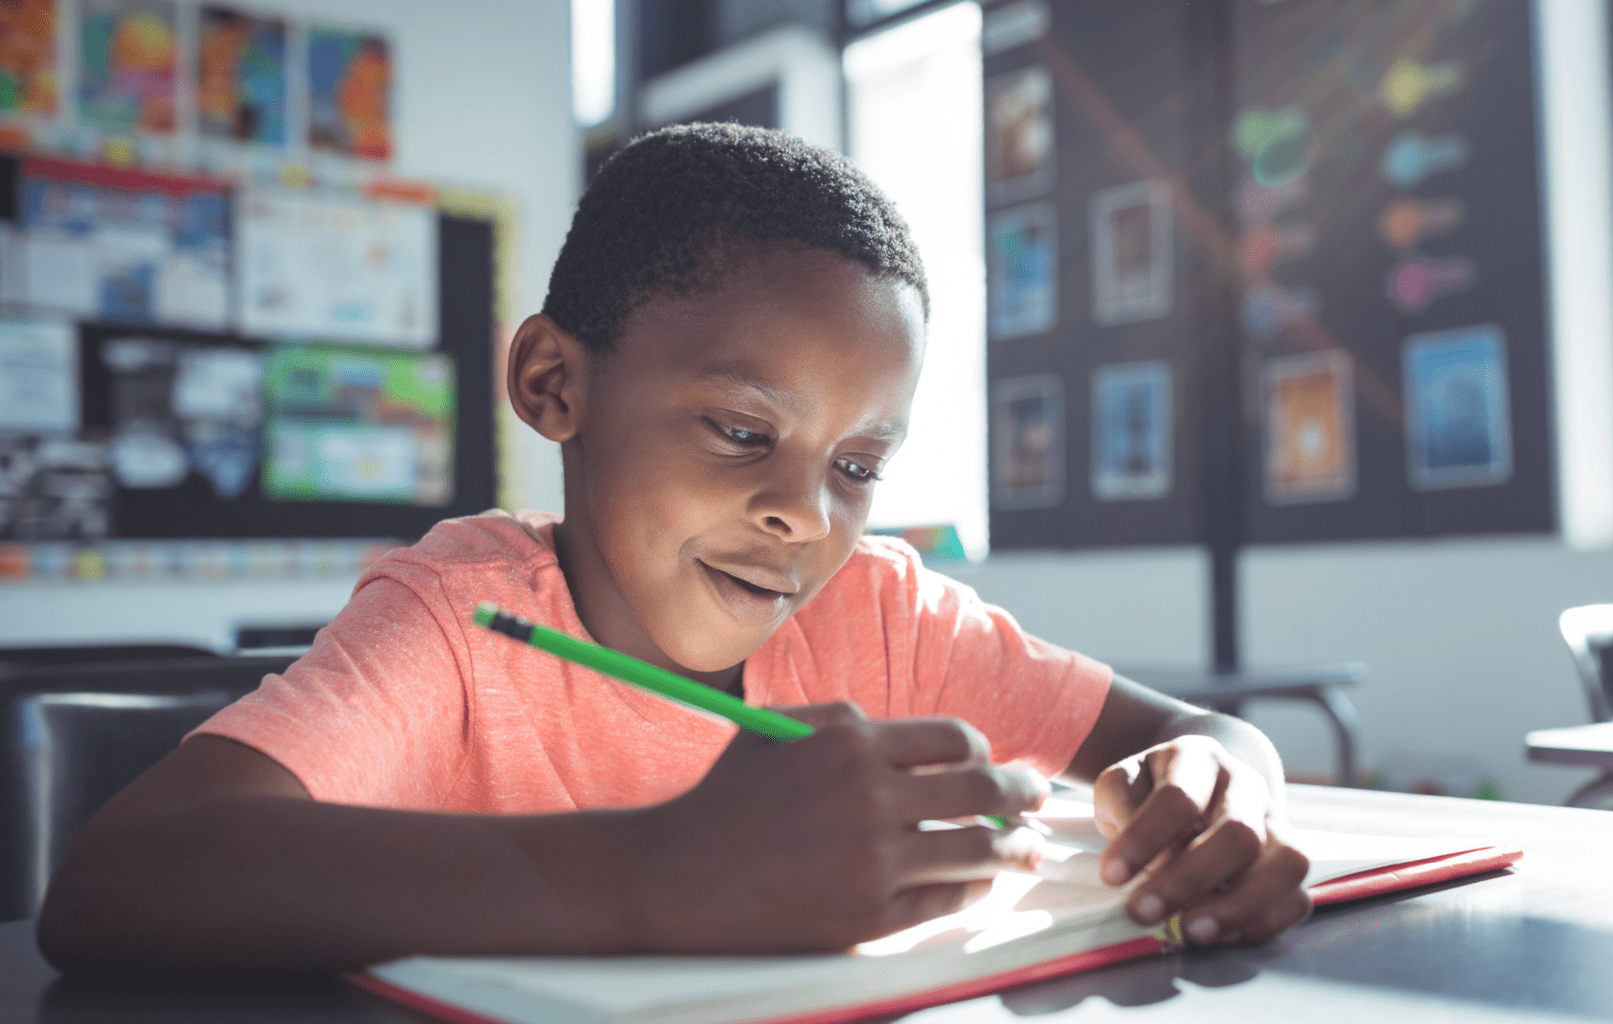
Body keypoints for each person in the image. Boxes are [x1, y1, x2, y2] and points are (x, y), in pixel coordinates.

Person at [38, 124, 1309, 974]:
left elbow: (1207, 737)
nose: (805, 515)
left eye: (856, 467)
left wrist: (1214, 795)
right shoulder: (461, 620)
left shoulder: (877, 615)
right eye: (742, 430)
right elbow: (116, 882)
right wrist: (664, 872)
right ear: (552, 384)